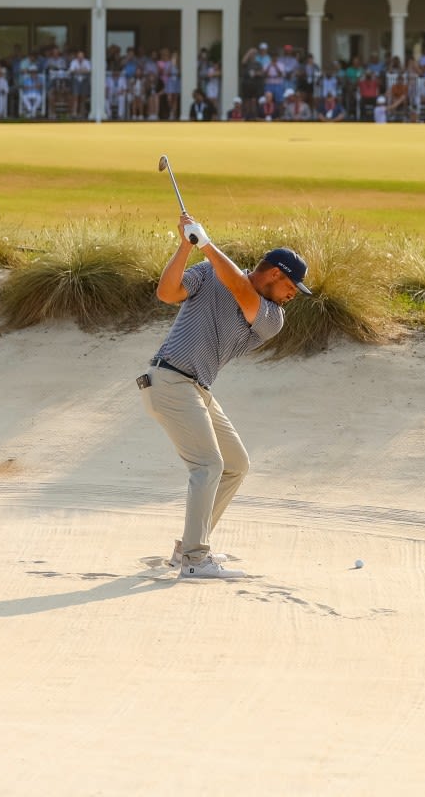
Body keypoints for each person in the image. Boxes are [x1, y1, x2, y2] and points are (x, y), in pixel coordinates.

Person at [143, 214, 311, 580]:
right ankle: (194, 558)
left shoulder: (271, 317)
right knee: (207, 466)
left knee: (235, 464)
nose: (290, 298)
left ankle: (188, 545)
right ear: (275, 275)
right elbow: (167, 293)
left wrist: (205, 243)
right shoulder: (208, 271)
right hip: (169, 381)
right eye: (291, 289)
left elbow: (239, 288)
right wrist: (185, 247)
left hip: (196, 389)